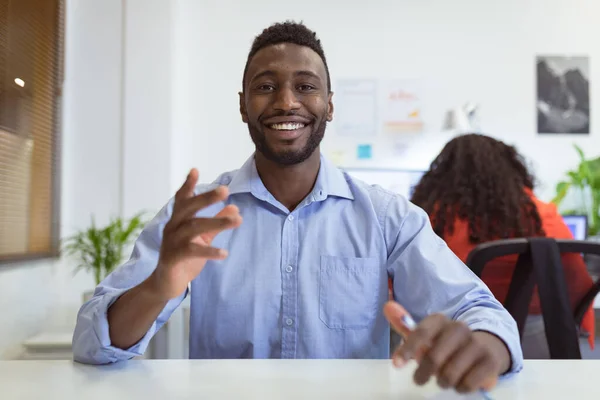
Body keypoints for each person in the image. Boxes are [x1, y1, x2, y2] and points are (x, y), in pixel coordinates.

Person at [72, 22, 522, 394]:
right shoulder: (198, 214)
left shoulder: (386, 217)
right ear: (244, 106)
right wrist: (158, 285)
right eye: (265, 87)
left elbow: (481, 311)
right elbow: (93, 346)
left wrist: (483, 345)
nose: (286, 101)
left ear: (329, 106)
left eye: (305, 87)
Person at [410, 133, 595, 358]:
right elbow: (575, 286)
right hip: (536, 340)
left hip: (457, 341)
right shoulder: (542, 215)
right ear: (511, 169)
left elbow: (409, 287)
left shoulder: (432, 219)